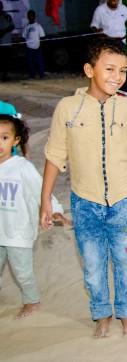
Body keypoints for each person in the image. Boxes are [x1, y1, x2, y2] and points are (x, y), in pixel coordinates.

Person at [40, 38, 127, 338]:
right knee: (94, 266)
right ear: (89, 70)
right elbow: (55, 154)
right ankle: (101, 314)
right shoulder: (68, 108)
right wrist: (46, 200)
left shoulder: (126, 107)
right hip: (85, 203)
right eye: (109, 69)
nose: (117, 76)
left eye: (122, 70)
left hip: (123, 200)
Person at [0, 114, 66, 319]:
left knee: (22, 272)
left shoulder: (22, 167)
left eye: (4, 138)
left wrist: (55, 209)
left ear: (15, 141)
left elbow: (41, 190)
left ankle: (31, 301)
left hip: (18, 232)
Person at [22, 10, 45, 80]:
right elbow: (24, 36)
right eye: (29, 16)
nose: (31, 17)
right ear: (28, 17)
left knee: (39, 61)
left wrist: (40, 46)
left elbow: (42, 36)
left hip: (37, 47)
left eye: (32, 16)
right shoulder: (27, 27)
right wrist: (25, 45)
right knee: (30, 62)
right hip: (29, 47)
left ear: (34, 17)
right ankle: (32, 76)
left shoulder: (38, 26)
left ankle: (42, 75)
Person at [0, 0, 15, 81]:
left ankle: (5, 76)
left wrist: (4, 31)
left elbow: (12, 26)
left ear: (2, 7)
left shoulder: (7, 16)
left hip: (6, 42)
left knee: (6, 61)